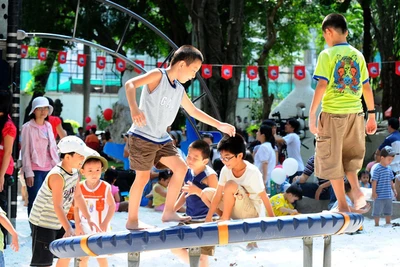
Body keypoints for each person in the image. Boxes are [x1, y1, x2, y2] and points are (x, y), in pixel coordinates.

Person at [124, 45, 235, 229]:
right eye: (193, 70)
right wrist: (134, 108)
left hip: (161, 138)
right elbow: (130, 85)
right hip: (142, 135)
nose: (194, 75)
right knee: (142, 178)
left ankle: (168, 212)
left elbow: (193, 111)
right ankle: (132, 220)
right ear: (182, 64)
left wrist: (219, 124)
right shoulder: (158, 75)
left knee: (181, 167)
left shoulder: (179, 90)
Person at [309, 13, 377, 212]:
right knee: (350, 158)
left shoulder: (327, 54)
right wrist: (371, 115)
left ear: (328, 32)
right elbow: (366, 87)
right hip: (356, 115)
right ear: (346, 32)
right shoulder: (358, 55)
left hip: (333, 114)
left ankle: (341, 205)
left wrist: (312, 114)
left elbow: (322, 85)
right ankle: (356, 191)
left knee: (331, 160)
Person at [29, 136, 99, 267]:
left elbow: (78, 197)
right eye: (80, 156)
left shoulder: (74, 172)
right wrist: (68, 228)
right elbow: (57, 206)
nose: (83, 159)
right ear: (67, 157)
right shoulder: (57, 176)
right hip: (43, 222)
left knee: (67, 251)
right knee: (43, 262)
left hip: (58, 220)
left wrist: (89, 218)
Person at [202, 134, 275, 221]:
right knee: (205, 193)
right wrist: (209, 217)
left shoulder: (252, 172)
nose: (224, 161)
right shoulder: (225, 170)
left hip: (251, 213)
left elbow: (264, 196)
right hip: (235, 208)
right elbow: (218, 194)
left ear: (239, 156)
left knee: (230, 185)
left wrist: (273, 219)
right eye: (222, 158)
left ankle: (225, 218)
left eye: (227, 157)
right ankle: (224, 216)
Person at [74, 151, 115, 267]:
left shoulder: (105, 187)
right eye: (90, 170)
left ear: (102, 170)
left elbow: (112, 206)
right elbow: (76, 208)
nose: (94, 174)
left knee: (101, 256)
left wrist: (105, 223)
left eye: (97, 170)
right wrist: (77, 225)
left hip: (101, 227)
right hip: (84, 226)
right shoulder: (80, 187)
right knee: (83, 257)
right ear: (83, 172)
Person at [21, 96, 59, 216]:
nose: (43, 111)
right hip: (35, 170)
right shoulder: (27, 127)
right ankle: (34, 230)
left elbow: (52, 147)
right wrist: (28, 172)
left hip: (50, 169)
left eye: (46, 108)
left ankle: (44, 229)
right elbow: (25, 151)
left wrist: (57, 167)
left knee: (48, 201)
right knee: (34, 201)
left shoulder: (48, 126)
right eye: (40, 108)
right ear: (34, 110)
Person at [371, 146, 397, 227]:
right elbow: (374, 181)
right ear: (382, 158)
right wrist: (373, 192)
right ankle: (376, 224)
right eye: (389, 159)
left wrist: (394, 190)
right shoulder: (377, 169)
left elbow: (391, 181)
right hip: (379, 195)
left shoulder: (389, 169)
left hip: (388, 195)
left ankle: (388, 222)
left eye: (392, 160)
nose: (390, 161)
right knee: (377, 210)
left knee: (388, 210)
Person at [376, 117, 400, 201]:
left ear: (389, 126)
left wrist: (377, 164)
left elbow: (378, 152)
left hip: (391, 170)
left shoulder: (389, 139)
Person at [254, 125, 277, 191]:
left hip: (264, 182)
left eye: (258, 132)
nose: (256, 133)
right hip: (269, 181)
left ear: (263, 135)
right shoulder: (269, 146)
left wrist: (264, 181)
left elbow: (265, 163)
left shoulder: (263, 147)